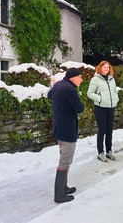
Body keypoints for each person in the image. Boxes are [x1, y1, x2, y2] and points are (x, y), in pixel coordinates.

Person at [48, 67, 84, 203]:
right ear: (73, 78)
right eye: (80, 77)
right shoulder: (69, 89)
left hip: (59, 128)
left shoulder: (58, 85)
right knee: (65, 160)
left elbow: (49, 95)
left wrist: (52, 83)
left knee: (65, 158)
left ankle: (64, 188)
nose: (81, 80)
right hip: (67, 129)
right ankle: (59, 195)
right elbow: (80, 108)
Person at [87, 61, 120, 162]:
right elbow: (90, 93)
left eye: (108, 67)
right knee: (102, 131)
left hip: (111, 107)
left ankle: (109, 151)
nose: (106, 69)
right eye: (104, 67)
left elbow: (114, 91)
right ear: (100, 68)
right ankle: (100, 152)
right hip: (100, 108)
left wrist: (116, 98)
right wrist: (100, 99)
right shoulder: (95, 80)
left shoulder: (111, 79)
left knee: (109, 130)